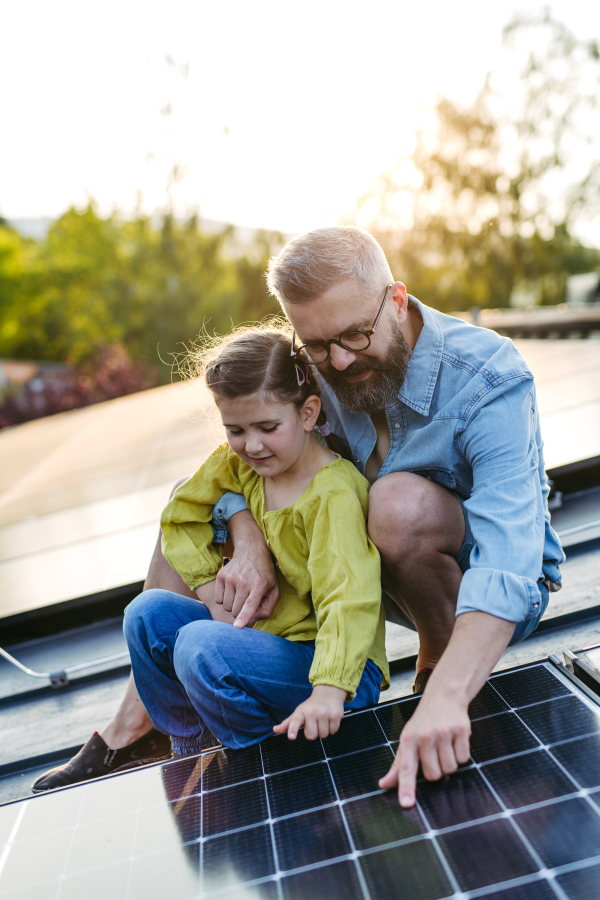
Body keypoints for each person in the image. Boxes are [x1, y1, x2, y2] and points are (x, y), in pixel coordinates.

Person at [33, 225, 564, 809]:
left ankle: (439, 671)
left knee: (395, 503)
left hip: (475, 587)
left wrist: (450, 698)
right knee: (192, 498)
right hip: (357, 573)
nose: (338, 360)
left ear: (397, 300)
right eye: (316, 345)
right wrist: (247, 532)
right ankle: (136, 725)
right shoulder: (314, 365)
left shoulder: (488, 377)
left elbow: (512, 557)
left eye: (355, 335)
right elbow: (236, 462)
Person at [123, 325, 388, 753]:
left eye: (267, 427)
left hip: (335, 673)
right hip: (264, 648)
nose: (252, 445)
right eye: (236, 430)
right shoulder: (241, 465)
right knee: (145, 613)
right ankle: (192, 742)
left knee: (200, 645)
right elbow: (181, 515)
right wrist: (211, 592)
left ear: (307, 413)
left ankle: (260, 756)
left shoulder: (332, 492)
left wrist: (328, 690)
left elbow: (348, 596)